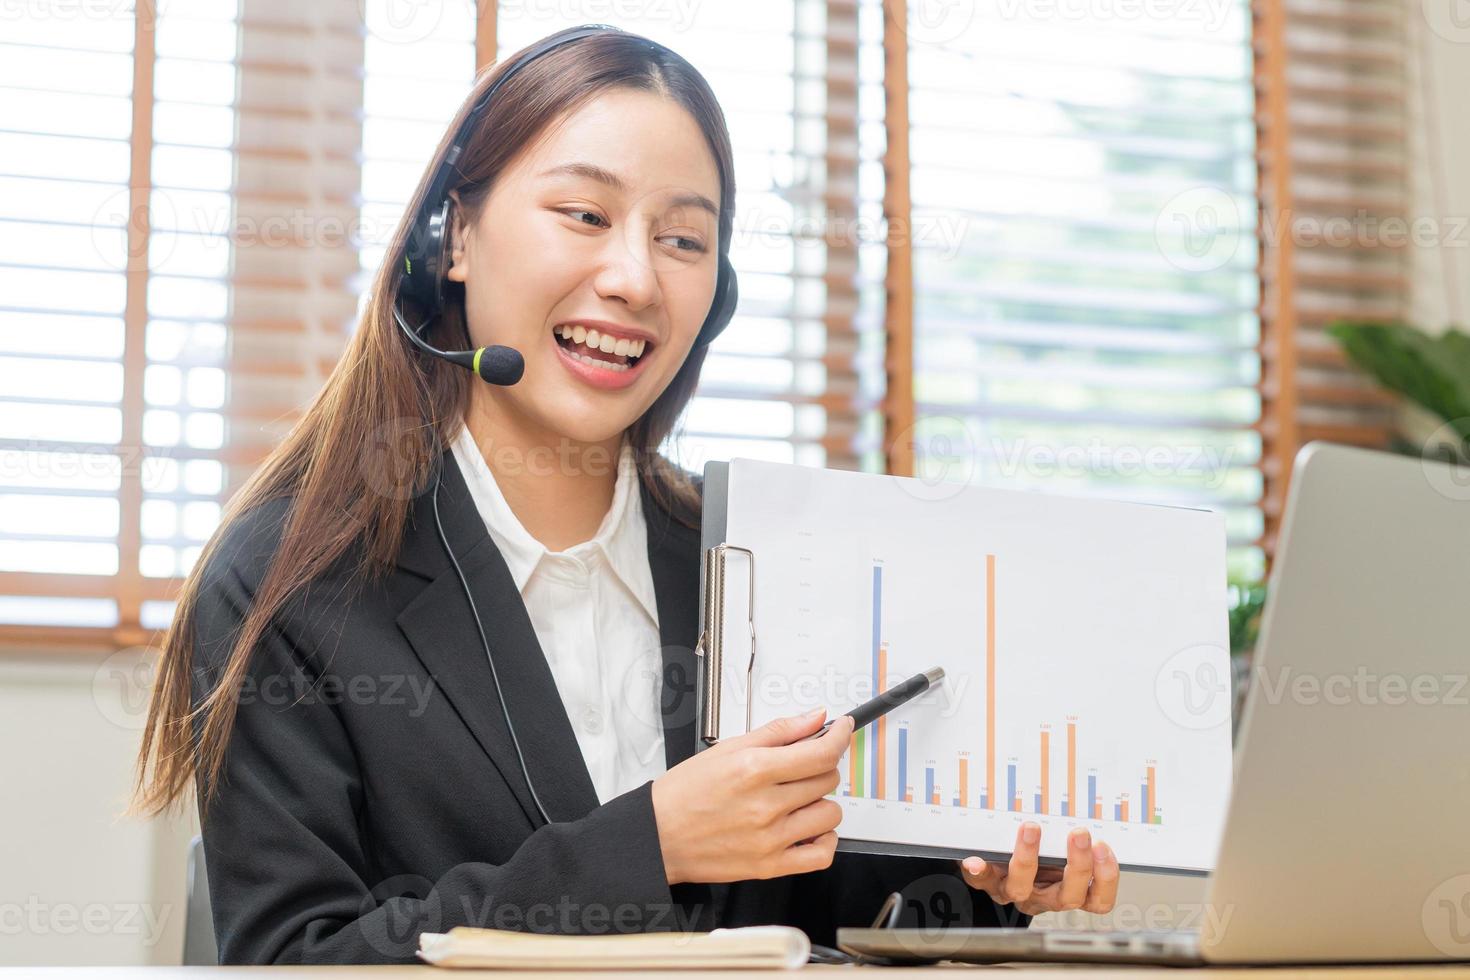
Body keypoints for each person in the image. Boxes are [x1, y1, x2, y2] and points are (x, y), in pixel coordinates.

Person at [132, 26, 1119, 965]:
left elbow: (823, 906)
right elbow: (293, 958)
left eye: (684, 240)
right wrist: (648, 844)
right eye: (585, 214)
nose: (635, 277)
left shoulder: (755, 562)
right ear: (454, 239)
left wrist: (988, 881)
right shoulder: (292, 580)